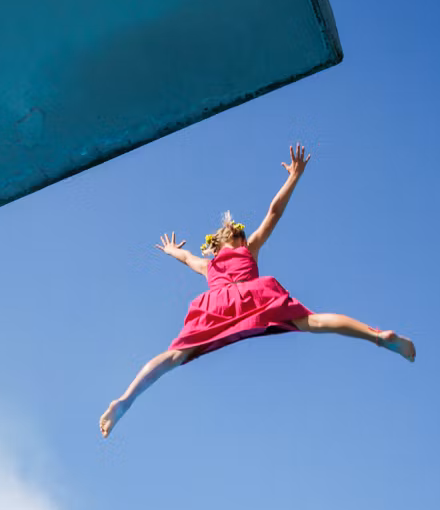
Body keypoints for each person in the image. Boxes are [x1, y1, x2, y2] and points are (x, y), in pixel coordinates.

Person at [99, 147, 415, 437]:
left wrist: (170, 250)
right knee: (316, 322)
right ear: (238, 238)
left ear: (216, 246)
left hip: (216, 306)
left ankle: (125, 400)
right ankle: (376, 336)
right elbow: (273, 213)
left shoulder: (209, 266)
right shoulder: (249, 249)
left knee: (172, 357)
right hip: (255, 296)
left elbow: (186, 257)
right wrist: (293, 177)